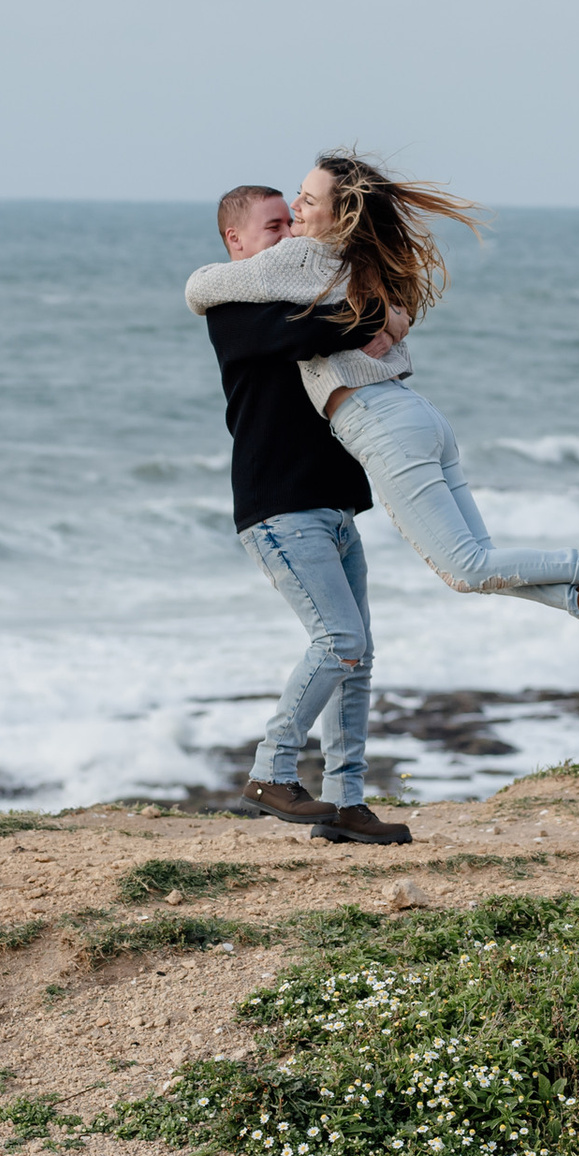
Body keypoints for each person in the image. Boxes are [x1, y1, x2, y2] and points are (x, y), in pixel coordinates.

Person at [185, 153, 579, 663]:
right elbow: (351, 319)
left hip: (377, 423)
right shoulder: (365, 267)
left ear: (342, 215)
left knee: (468, 568)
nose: (294, 213)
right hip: (416, 417)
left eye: (307, 201)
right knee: (485, 564)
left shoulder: (296, 258)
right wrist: (384, 315)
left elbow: (203, 285)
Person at [197, 182, 413, 848]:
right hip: (278, 508)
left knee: (359, 657)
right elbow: (310, 334)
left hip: (335, 506)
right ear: (237, 242)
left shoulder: (308, 291)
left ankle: (347, 803)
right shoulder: (233, 304)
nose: (288, 233)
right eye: (271, 226)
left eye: (292, 221)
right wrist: (372, 317)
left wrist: (383, 315)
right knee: (338, 642)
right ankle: (271, 770)